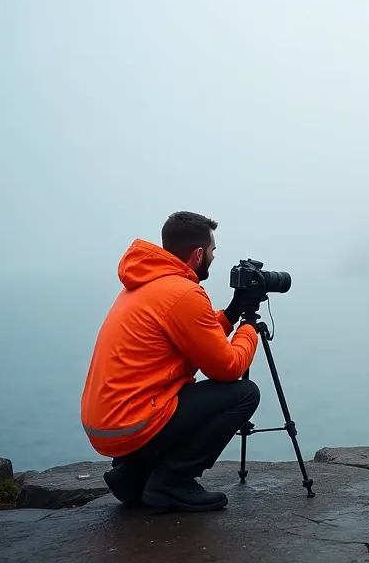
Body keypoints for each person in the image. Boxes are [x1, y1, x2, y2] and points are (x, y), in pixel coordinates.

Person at [79, 211, 266, 512]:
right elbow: (229, 367)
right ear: (198, 253)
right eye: (213, 251)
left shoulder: (145, 284)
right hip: (132, 423)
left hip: (108, 423)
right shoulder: (184, 293)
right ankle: (172, 482)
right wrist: (249, 329)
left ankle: (133, 473)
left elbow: (194, 337)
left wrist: (231, 314)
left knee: (181, 396)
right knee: (244, 394)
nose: (214, 257)